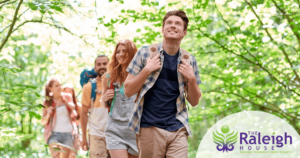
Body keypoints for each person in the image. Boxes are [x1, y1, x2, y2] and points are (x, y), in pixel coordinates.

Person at [124, 10, 202, 158]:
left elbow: (194, 101)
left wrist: (191, 78)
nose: (173, 26)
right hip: (149, 127)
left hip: (178, 128)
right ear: (163, 29)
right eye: (169, 23)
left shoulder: (189, 60)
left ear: (184, 32)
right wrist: (147, 69)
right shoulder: (145, 53)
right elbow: (128, 90)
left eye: (178, 24)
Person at [101, 39, 139, 158]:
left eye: (125, 51)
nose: (121, 54)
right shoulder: (108, 77)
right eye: (118, 51)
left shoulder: (140, 76)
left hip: (136, 130)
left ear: (132, 53)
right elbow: (104, 104)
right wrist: (104, 98)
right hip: (115, 129)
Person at [81, 55, 110, 158]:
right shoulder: (88, 87)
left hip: (114, 135)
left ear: (109, 65)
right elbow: (83, 114)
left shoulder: (115, 84)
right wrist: (84, 137)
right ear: (95, 67)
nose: (102, 66)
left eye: (104, 64)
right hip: (96, 135)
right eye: (99, 64)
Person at [41, 78, 77, 158]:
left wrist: (71, 106)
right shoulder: (47, 102)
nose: (59, 87)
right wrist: (48, 114)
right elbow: (43, 122)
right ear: (50, 88)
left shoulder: (67, 97)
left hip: (68, 133)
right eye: (56, 86)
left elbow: (74, 114)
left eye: (60, 85)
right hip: (54, 135)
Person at [63, 83, 82, 158]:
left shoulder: (78, 106)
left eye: (69, 91)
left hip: (74, 136)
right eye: (65, 91)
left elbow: (80, 121)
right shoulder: (59, 106)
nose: (67, 93)